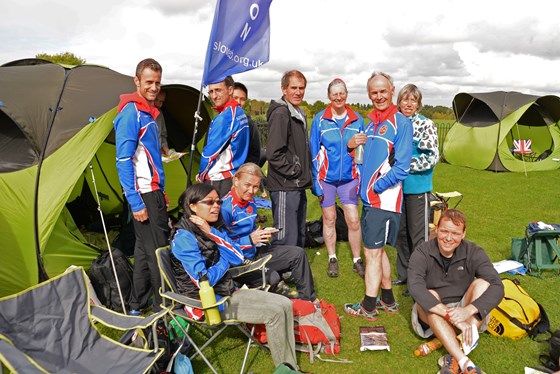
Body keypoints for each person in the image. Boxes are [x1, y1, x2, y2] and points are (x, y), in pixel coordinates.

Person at [170, 183, 299, 369]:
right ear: (192, 206)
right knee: (275, 313)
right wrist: (224, 262)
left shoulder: (212, 227)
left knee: (285, 303)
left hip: (227, 290)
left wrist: (211, 232)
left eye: (218, 201)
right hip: (205, 303)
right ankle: (286, 369)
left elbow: (238, 257)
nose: (216, 206)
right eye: (209, 202)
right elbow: (204, 281)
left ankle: (289, 368)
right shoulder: (183, 238)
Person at [343, 71, 413, 321]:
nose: (379, 96)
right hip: (370, 200)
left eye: (383, 91)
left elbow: (402, 167)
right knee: (378, 250)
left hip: (382, 200)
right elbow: (363, 160)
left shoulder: (401, 123)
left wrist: (375, 188)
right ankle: (388, 300)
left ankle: (368, 306)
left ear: (392, 90)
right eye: (374, 92)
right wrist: (352, 147)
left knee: (371, 253)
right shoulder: (369, 122)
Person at [408, 209, 504, 374]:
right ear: (436, 229)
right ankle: (464, 361)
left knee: (483, 283)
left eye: (455, 233)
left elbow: (498, 286)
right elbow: (415, 288)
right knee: (430, 295)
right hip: (434, 314)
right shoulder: (422, 252)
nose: (448, 238)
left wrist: (467, 310)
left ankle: (452, 357)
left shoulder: (474, 252)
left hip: (465, 313)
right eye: (444, 231)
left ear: (463, 234)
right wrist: (451, 317)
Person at [114, 58, 169, 315]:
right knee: (159, 253)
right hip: (144, 195)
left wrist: (162, 191)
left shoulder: (148, 111)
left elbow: (151, 158)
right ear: (137, 81)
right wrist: (136, 202)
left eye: (157, 82)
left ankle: (136, 304)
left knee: (144, 252)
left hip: (153, 191)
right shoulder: (131, 113)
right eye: (149, 82)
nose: (154, 87)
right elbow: (123, 160)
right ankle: (163, 308)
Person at [221, 163, 318, 302]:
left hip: (254, 252)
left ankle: (308, 301)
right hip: (238, 263)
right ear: (236, 180)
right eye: (247, 185)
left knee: (298, 253)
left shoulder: (250, 202)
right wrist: (249, 240)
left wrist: (262, 234)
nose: (251, 190)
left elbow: (250, 231)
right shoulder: (225, 208)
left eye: (255, 186)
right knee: (273, 277)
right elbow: (221, 246)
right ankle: (268, 285)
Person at [310, 78, 365, 278]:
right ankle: (332, 257)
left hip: (349, 179)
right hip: (326, 179)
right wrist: (315, 181)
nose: (339, 97)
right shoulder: (320, 120)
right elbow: (314, 152)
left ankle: (357, 259)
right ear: (329, 96)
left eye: (342, 93)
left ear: (346, 94)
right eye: (335, 94)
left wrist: (361, 177)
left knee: (353, 220)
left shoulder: (357, 119)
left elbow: (362, 152)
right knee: (329, 218)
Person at [393, 84, 440, 296]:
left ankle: (418, 281)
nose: (409, 104)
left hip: (417, 188)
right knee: (401, 235)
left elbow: (431, 157)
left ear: (418, 104)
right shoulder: (393, 123)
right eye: (405, 100)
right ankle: (404, 275)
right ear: (399, 102)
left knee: (418, 237)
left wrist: (404, 164)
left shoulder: (425, 125)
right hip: (395, 189)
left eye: (413, 100)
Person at [266, 70, 312, 248]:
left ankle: (296, 271)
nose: (298, 92)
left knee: (298, 232)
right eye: (293, 87)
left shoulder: (297, 112)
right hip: (285, 185)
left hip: (297, 184)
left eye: (301, 88)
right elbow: (274, 153)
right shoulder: (281, 113)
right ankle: (282, 273)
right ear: (284, 89)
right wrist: (295, 171)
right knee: (285, 236)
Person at [197, 75, 250, 198]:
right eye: (211, 91)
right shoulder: (239, 112)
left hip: (219, 179)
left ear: (230, 90)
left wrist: (201, 174)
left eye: (218, 90)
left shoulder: (225, 118)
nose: (214, 96)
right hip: (233, 176)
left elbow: (209, 153)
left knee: (216, 215)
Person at [233, 82, 264, 166]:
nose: (238, 102)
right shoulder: (218, 120)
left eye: (242, 99)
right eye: (235, 98)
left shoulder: (249, 124)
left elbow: (255, 154)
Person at [154, 88, 170, 156]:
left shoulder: (160, 113)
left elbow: (163, 134)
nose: (158, 104)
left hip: (158, 154)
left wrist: (164, 146)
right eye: (156, 100)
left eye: (161, 102)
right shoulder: (139, 113)